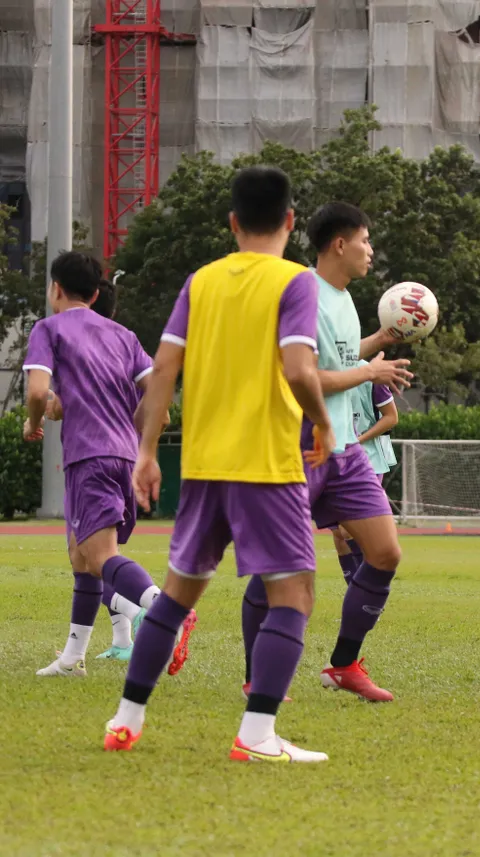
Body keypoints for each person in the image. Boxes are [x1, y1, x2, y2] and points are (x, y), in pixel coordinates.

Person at [102, 165, 337, 762]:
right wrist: (325, 421)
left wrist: (149, 450)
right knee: (294, 597)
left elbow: (162, 371)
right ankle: (257, 735)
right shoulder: (296, 281)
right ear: (289, 221)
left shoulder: (201, 281)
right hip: (266, 465)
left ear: (232, 222)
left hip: (204, 466)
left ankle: (126, 718)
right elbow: (298, 369)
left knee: (179, 596)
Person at [240, 201, 411, 704]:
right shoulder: (302, 293)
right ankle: (256, 676)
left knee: (384, 552)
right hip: (295, 446)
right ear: (340, 244)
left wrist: (378, 343)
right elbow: (304, 377)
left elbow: (336, 356)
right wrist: (370, 373)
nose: (370, 251)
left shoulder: (342, 297)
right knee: (277, 567)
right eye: (366, 240)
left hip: (342, 448)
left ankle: (343, 664)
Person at [22, 252, 174, 674]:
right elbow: (158, 404)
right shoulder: (123, 335)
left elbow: (37, 392)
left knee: (99, 556)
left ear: (56, 289)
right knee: (80, 557)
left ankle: (162, 609)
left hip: (87, 455)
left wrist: (33, 422)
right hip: (123, 457)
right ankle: (73, 657)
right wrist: (140, 443)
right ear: (94, 293)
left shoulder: (49, 328)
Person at [329, 364, 399, 585]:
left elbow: (391, 417)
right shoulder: (324, 366)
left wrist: (357, 439)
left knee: (350, 530)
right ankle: (355, 591)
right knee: (339, 535)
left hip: (368, 459)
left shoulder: (372, 374)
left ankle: (366, 589)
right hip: (331, 457)